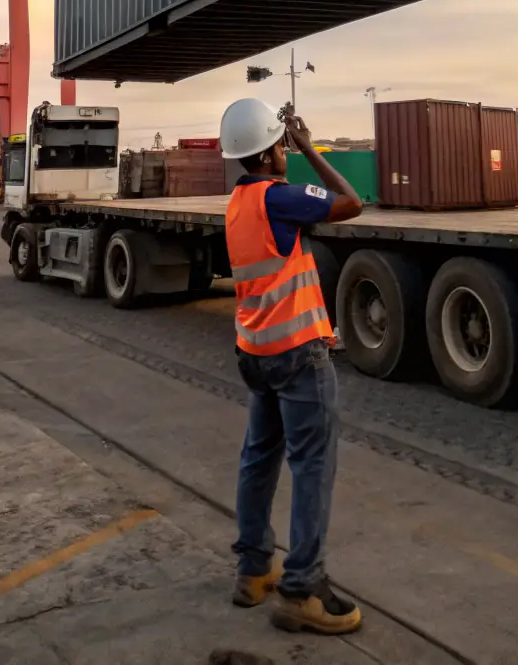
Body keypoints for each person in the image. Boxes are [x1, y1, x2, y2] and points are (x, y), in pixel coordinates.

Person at [220, 97, 364, 635]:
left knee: (258, 459)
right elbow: (351, 202)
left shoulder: (237, 204)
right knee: (312, 466)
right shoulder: (278, 197)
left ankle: (254, 569)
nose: (284, 151)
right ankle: (302, 587)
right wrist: (308, 146)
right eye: (280, 145)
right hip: (298, 355)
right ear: (269, 150)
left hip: (255, 352)